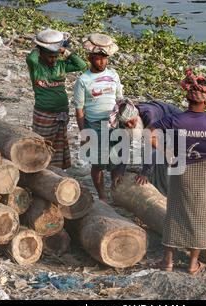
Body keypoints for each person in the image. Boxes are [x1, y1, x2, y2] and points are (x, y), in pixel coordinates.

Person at [150, 69, 206, 275]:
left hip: (180, 171)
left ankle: (167, 261)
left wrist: (166, 152)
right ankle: (192, 263)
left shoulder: (175, 120)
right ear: (205, 101)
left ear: (187, 99)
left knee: (175, 213)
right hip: (204, 174)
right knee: (200, 216)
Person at [26, 29, 87, 169]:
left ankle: (54, 170)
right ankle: (36, 168)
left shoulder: (61, 66)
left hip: (61, 112)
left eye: (55, 56)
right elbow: (31, 58)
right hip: (44, 113)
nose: (53, 59)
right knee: (41, 143)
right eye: (50, 56)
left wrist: (64, 50)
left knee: (58, 144)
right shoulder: (37, 67)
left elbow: (81, 65)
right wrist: (39, 46)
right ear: (42, 54)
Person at [73, 33, 122, 202]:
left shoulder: (114, 75)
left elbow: (120, 100)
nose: (102, 62)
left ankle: (117, 191)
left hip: (114, 123)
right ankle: (102, 195)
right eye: (98, 58)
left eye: (105, 59)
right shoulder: (83, 80)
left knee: (117, 159)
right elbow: (79, 110)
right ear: (90, 58)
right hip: (94, 125)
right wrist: (84, 134)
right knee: (98, 163)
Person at [109, 99, 182, 196]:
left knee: (169, 160)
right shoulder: (125, 120)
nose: (130, 126)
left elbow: (151, 146)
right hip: (163, 129)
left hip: (177, 127)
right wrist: (120, 171)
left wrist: (145, 173)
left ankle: (169, 192)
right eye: (126, 124)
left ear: (137, 115)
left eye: (131, 122)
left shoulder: (150, 116)